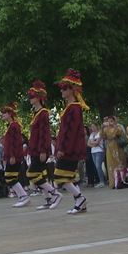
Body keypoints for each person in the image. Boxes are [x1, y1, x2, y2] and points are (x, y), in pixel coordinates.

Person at [54, 69, 89, 214]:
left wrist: (63, 148)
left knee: (60, 176)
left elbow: (71, 131)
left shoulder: (74, 108)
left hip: (70, 148)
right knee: (66, 176)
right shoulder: (70, 107)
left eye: (64, 88)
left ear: (72, 90)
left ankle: (80, 198)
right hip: (69, 148)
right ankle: (79, 202)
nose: (61, 91)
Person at [25, 80, 63, 210]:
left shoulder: (43, 113)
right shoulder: (35, 113)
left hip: (40, 149)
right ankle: (48, 199)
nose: (30, 98)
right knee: (39, 174)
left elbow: (44, 133)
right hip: (34, 149)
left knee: (32, 174)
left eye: (33, 96)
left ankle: (55, 193)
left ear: (39, 98)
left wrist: (43, 150)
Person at [0, 102, 30, 207]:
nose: (2, 115)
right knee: (10, 177)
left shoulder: (14, 126)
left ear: (9, 113)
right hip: (11, 156)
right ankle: (22, 196)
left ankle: (23, 196)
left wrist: (12, 155)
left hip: (14, 156)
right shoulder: (11, 126)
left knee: (10, 177)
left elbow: (15, 142)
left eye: (4, 113)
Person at [101, 116, 127, 189]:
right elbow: (102, 136)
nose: (110, 122)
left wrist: (115, 126)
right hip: (109, 148)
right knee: (111, 165)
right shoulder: (105, 129)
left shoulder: (118, 127)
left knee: (120, 163)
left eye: (111, 121)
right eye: (108, 121)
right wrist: (102, 127)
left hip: (118, 147)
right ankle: (113, 183)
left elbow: (117, 134)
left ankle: (122, 181)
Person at [88, 123, 107, 187]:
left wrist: (92, 142)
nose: (92, 128)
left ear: (97, 126)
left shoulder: (100, 133)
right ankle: (103, 179)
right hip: (93, 151)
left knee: (98, 166)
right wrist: (93, 142)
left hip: (99, 151)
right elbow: (88, 144)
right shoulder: (91, 134)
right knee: (96, 167)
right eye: (91, 127)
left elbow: (97, 143)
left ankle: (102, 181)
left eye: (93, 126)